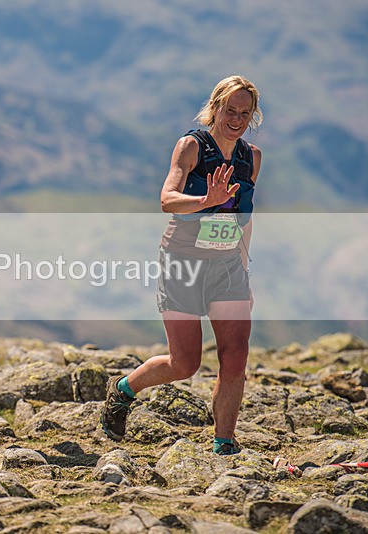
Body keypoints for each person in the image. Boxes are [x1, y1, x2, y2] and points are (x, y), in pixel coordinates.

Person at [101, 75, 263, 455]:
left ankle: (224, 442)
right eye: (230, 110)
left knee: (235, 353)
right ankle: (123, 390)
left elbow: (244, 218)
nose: (236, 119)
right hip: (183, 261)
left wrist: (245, 271)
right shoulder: (191, 146)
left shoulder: (250, 157)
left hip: (227, 266)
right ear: (215, 107)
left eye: (245, 112)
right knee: (185, 362)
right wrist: (206, 199)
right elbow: (167, 200)